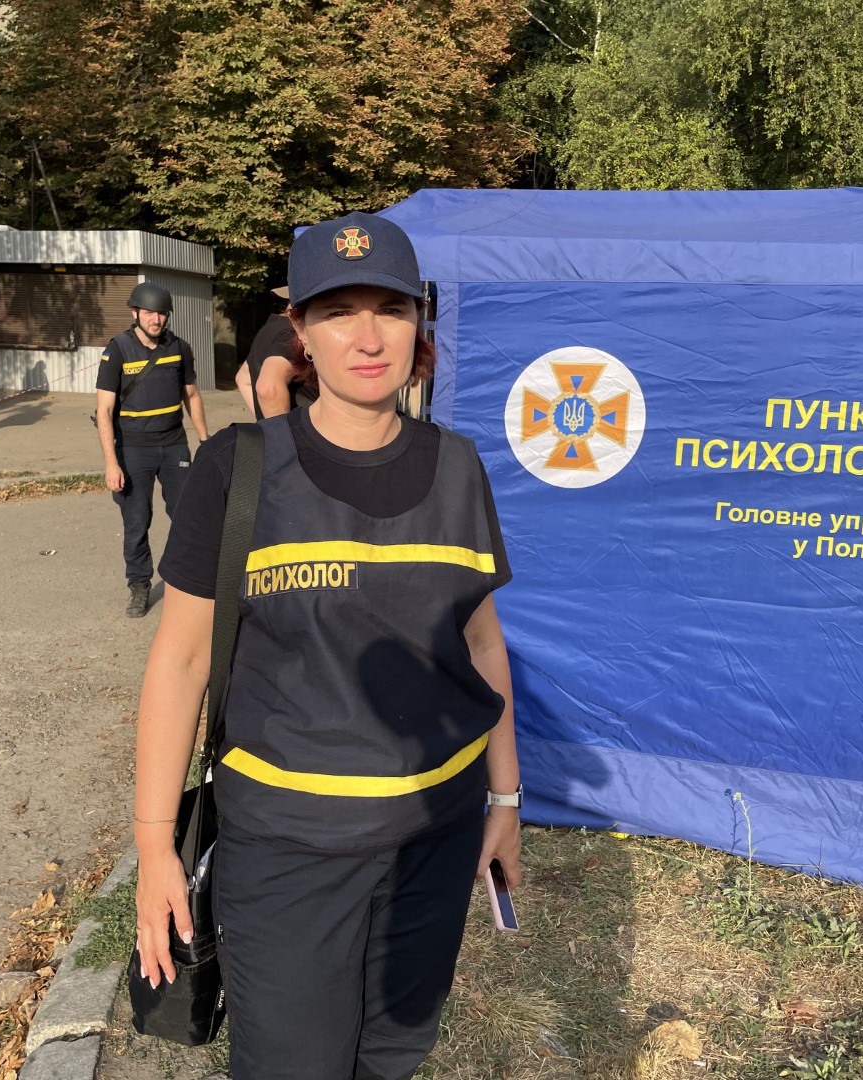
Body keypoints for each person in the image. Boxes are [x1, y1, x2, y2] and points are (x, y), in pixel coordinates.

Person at [133, 211, 522, 1080]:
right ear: (300, 331)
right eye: (339, 311)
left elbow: (483, 644)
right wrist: (155, 847)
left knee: (394, 1052)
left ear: (419, 322)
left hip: (435, 838)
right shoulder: (238, 469)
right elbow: (181, 663)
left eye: (390, 308)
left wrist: (505, 800)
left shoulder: (460, 467)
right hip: (287, 850)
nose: (368, 336)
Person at [96, 281, 209, 618]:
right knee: (136, 521)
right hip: (133, 450)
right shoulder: (116, 350)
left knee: (189, 516)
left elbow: (192, 396)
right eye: (149, 313)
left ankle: (189, 579)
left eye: (161, 313)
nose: (156, 319)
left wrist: (206, 441)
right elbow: (104, 411)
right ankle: (140, 585)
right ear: (135, 313)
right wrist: (111, 463)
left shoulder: (179, 348)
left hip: (174, 446)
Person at [235, 286, 318, 419]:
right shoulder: (293, 335)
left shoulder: (271, 328)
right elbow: (268, 389)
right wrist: (282, 430)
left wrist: (265, 423)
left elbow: (243, 378)